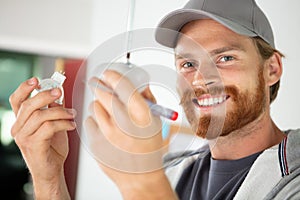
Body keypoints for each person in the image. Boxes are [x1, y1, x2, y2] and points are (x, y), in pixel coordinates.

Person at [9, 0, 300, 200]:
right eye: (187, 64)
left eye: (225, 58)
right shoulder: (173, 172)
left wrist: (143, 182)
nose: (200, 80)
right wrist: (48, 177)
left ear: (271, 69)